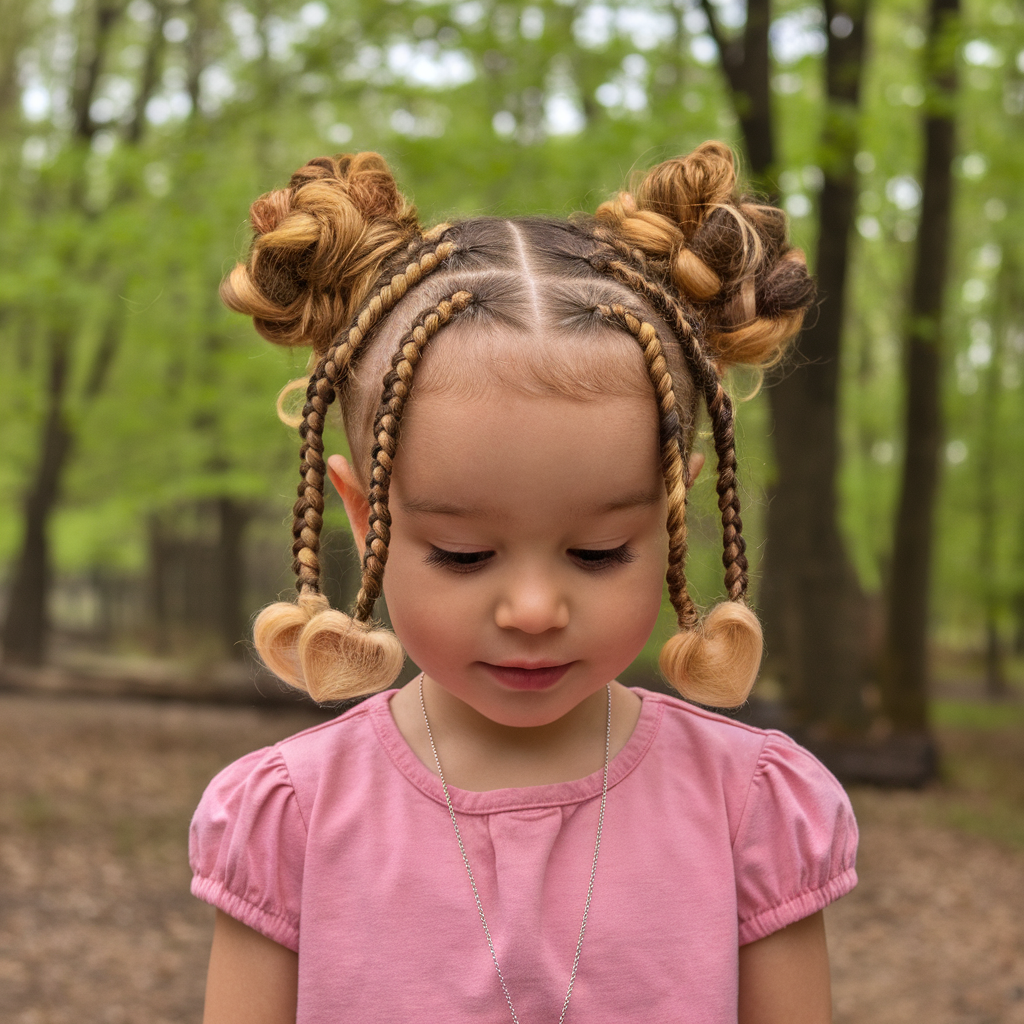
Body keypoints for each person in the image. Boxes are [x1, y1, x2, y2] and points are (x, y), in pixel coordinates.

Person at [190, 141, 858, 1024]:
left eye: (598, 552)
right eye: (464, 556)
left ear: (673, 515)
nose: (536, 611)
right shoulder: (291, 820)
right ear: (365, 520)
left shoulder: (752, 811)